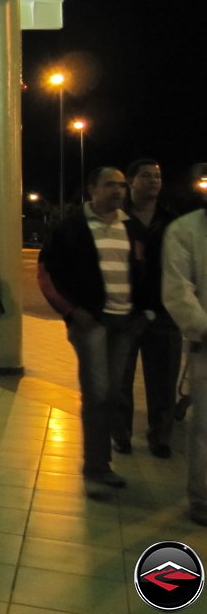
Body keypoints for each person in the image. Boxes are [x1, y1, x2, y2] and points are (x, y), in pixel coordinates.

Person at [38, 166, 143, 490]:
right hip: (91, 322)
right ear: (92, 189)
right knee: (97, 393)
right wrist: (71, 312)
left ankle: (101, 462)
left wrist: (143, 313)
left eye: (121, 186)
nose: (118, 191)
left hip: (125, 322)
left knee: (111, 393)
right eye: (110, 185)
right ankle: (96, 468)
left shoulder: (132, 227)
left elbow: (145, 272)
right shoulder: (72, 227)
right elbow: (46, 273)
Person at [117, 158, 181, 458]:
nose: (154, 180)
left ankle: (160, 436)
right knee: (120, 379)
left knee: (164, 381)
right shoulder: (116, 219)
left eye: (157, 175)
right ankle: (121, 433)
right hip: (124, 313)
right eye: (146, 176)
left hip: (165, 314)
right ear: (131, 181)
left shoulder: (171, 221)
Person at [161, 162, 207, 527]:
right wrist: (201, 329)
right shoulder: (186, 231)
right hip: (206, 345)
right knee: (204, 427)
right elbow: (178, 290)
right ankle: (202, 498)